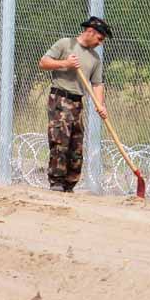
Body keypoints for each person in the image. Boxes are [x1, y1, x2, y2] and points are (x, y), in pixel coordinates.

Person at [37, 16, 111, 193]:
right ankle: (57, 182)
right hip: (60, 99)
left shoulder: (95, 59)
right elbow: (43, 62)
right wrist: (65, 63)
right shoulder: (66, 44)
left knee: (76, 145)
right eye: (99, 39)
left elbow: (97, 84)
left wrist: (100, 105)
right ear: (90, 31)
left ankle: (70, 184)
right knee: (60, 141)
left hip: (77, 102)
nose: (100, 43)